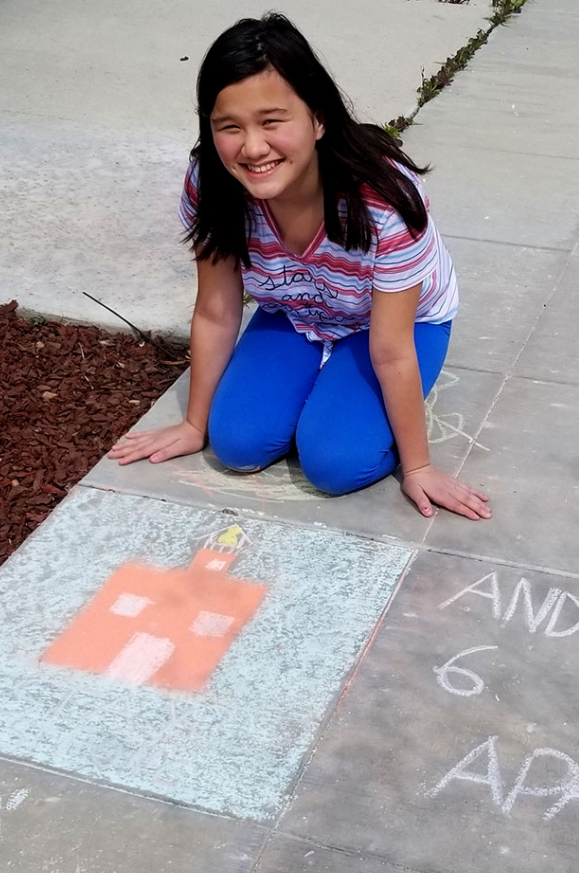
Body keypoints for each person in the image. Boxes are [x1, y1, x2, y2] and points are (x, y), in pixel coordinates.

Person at [108, 13, 490, 521]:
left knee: (335, 464)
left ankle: (341, 406)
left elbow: (392, 350)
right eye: (229, 127)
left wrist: (418, 468)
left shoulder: (383, 200)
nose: (253, 147)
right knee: (237, 445)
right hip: (296, 311)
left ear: (318, 118)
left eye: (272, 121)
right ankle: (316, 388)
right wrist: (194, 424)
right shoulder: (213, 184)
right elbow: (217, 311)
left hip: (398, 325)